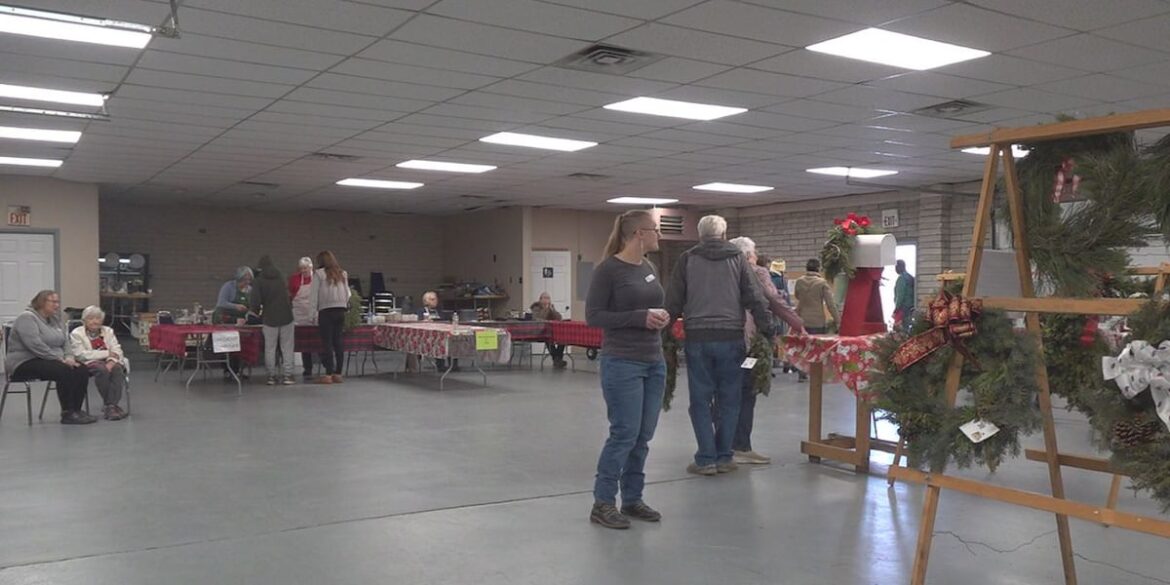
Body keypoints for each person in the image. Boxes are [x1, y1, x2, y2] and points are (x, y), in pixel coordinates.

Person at [665, 215, 773, 477]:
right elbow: (754, 297)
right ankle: (725, 456)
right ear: (724, 235)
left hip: (698, 338)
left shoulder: (687, 258)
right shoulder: (738, 258)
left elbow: (673, 300)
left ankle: (706, 459)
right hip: (731, 338)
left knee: (700, 400)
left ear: (700, 236)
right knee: (730, 398)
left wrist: (665, 334)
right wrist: (767, 331)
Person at [585, 209, 669, 530]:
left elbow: (651, 305)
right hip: (622, 362)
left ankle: (632, 498)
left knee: (643, 437)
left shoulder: (648, 267)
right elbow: (594, 316)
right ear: (638, 234)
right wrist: (639, 317)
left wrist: (660, 315)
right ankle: (603, 502)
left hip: (653, 360)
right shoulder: (608, 270)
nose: (658, 235)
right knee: (624, 434)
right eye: (655, 230)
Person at [726, 237, 804, 466]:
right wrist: (797, 324)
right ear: (749, 255)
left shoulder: (723, 272)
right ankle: (741, 445)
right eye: (754, 252)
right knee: (746, 391)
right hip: (749, 341)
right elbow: (774, 300)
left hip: (723, 339)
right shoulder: (757, 272)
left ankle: (722, 445)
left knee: (725, 393)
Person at [5, 290, 94, 425]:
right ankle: (67, 413)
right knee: (64, 370)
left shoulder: (55, 320)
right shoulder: (27, 318)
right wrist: (60, 359)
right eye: (53, 302)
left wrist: (69, 357)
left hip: (50, 360)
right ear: (41, 302)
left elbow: (66, 342)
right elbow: (35, 345)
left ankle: (76, 409)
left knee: (81, 369)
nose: (57, 305)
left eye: (58, 302)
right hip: (24, 362)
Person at [69, 306, 128, 421]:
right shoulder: (77, 333)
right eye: (90, 318)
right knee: (102, 370)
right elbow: (80, 354)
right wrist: (107, 354)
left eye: (98, 318)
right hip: (88, 362)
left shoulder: (108, 331)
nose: (95, 321)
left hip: (109, 360)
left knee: (117, 369)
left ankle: (110, 406)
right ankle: (111, 406)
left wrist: (111, 361)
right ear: (84, 320)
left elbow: (117, 350)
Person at [251, 255, 296, 386]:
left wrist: (254, 311)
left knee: (270, 348)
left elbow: (255, 301)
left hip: (269, 318)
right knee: (287, 347)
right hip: (287, 316)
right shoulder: (282, 278)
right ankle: (288, 376)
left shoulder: (258, 281)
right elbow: (289, 296)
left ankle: (271, 376)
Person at [794, 258, 841, 382]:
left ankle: (801, 373)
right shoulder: (822, 283)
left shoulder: (799, 281)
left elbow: (798, 296)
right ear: (818, 268)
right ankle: (816, 373)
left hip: (802, 319)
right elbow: (830, 304)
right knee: (817, 348)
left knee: (804, 346)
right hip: (818, 320)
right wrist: (838, 321)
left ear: (806, 268)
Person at [313, 250, 349, 385]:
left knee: (327, 342)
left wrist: (312, 314)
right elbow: (348, 294)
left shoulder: (319, 274)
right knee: (338, 341)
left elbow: (313, 296)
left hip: (326, 310)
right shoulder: (342, 274)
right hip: (340, 310)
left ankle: (328, 374)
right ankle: (338, 373)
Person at [415, 291, 457, 371]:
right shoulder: (420, 311)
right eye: (432, 299)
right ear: (425, 301)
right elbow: (418, 322)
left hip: (442, 333)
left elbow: (445, 319)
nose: (435, 301)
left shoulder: (439, 311)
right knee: (439, 343)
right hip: (427, 336)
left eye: (435, 299)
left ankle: (453, 365)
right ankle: (440, 365)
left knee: (453, 341)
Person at [288, 256, 316, 378]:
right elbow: (290, 295)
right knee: (304, 344)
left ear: (311, 267)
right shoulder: (294, 279)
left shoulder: (317, 279)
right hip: (299, 316)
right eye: (301, 268)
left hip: (314, 314)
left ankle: (327, 366)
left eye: (306, 268)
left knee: (318, 341)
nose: (303, 271)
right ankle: (307, 368)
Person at [531, 292, 566, 369]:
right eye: (545, 298)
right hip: (540, 331)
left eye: (548, 298)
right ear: (540, 299)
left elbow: (559, 318)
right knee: (548, 339)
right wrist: (545, 309)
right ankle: (556, 359)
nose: (547, 300)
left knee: (563, 339)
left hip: (552, 330)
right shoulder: (536, 307)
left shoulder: (551, 307)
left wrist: (552, 310)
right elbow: (537, 319)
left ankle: (557, 358)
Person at [894, 259, 916, 332]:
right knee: (907, 327)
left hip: (903, 307)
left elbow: (900, 295)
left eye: (896, 266)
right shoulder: (910, 277)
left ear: (900, 267)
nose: (895, 269)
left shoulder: (902, 278)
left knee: (899, 329)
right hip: (911, 306)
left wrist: (896, 308)